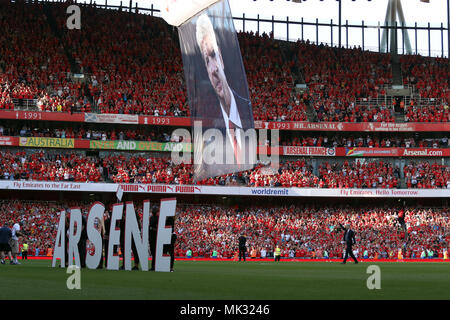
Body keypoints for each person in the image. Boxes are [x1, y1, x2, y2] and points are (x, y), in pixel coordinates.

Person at [194, 13, 255, 180]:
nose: (213, 69)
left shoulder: (248, 108)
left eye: (213, 55)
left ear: (221, 57)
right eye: (207, 61)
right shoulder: (211, 124)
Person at [149, 206, 159, 271]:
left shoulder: (152, 218)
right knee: (155, 253)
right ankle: (154, 266)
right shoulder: (157, 218)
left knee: (153, 253)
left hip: (152, 237)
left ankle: (153, 266)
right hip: (154, 236)